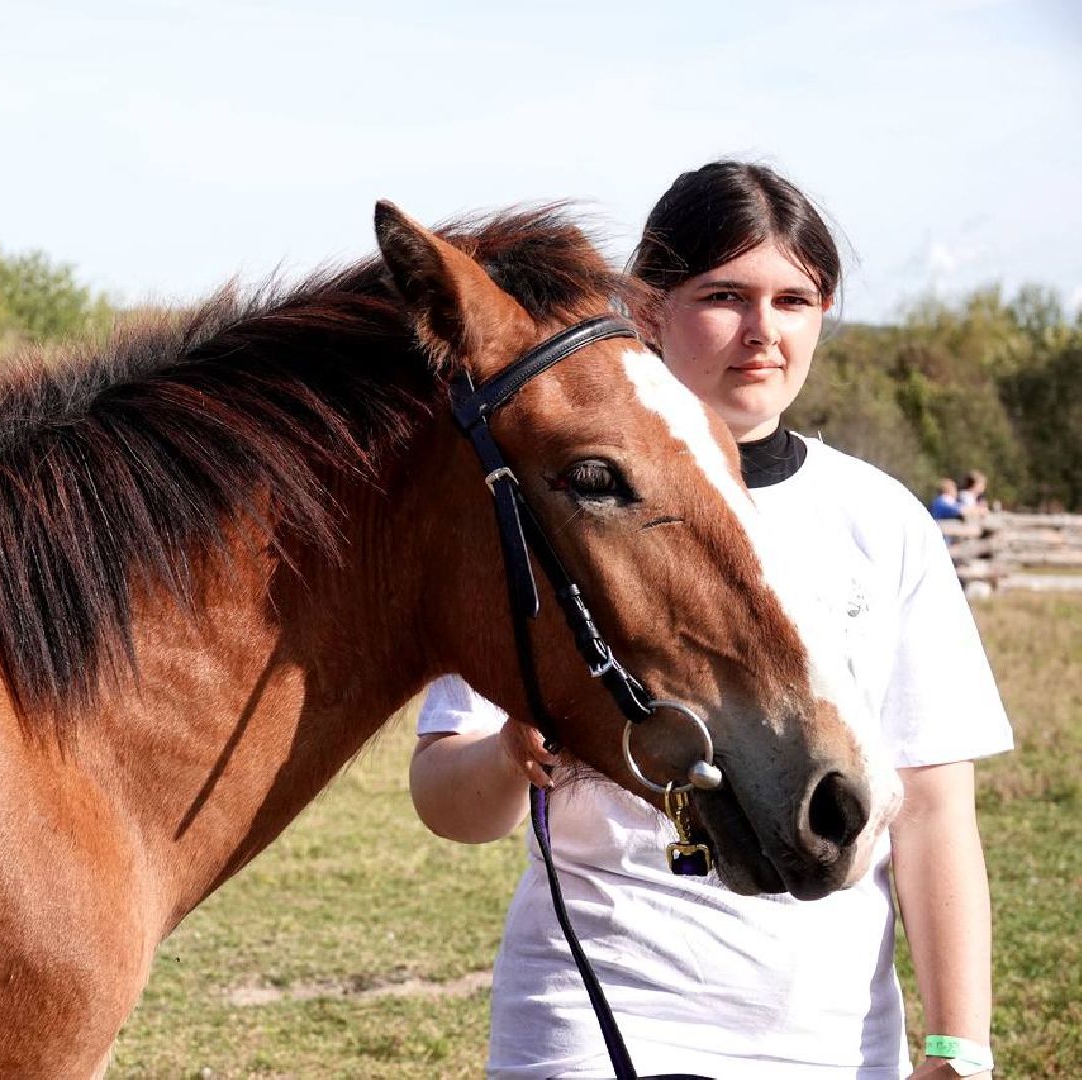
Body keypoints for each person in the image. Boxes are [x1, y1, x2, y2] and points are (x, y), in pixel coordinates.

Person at [410, 161, 1011, 1079]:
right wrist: (504, 758)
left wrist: (956, 1047)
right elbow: (445, 800)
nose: (761, 334)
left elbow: (930, 811)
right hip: (596, 1015)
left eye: (794, 300)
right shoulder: (557, 503)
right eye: (723, 296)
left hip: (833, 1040)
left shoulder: (881, 520)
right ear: (646, 309)